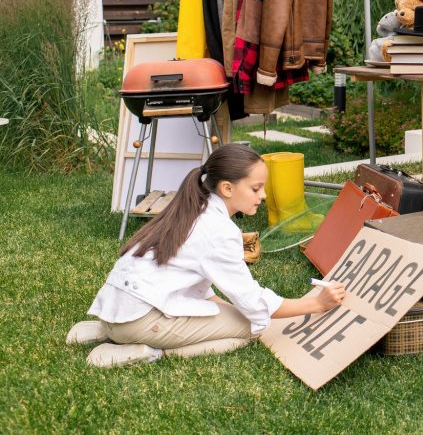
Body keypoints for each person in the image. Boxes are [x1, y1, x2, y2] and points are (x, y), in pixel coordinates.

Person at [66, 144, 346, 367]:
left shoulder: (192, 207)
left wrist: (224, 308)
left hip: (114, 311)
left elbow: (198, 280)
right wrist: (317, 305)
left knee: (234, 314)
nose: (262, 196)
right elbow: (255, 304)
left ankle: (104, 331)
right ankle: (149, 352)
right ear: (227, 188)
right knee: (251, 329)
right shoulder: (219, 230)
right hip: (138, 322)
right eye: (256, 188)